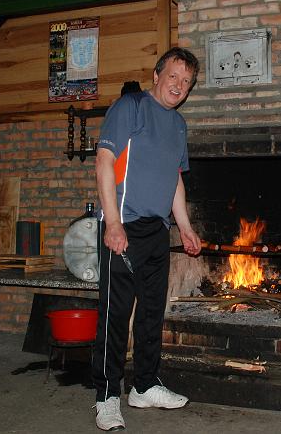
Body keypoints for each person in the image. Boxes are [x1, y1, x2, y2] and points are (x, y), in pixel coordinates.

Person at [92, 47, 202, 431]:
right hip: (124, 227)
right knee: (115, 315)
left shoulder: (179, 125)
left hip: (157, 230)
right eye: (173, 76)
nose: (179, 86)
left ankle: (144, 386)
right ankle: (107, 397)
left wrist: (184, 227)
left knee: (152, 313)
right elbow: (104, 162)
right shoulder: (131, 107)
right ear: (157, 75)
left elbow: (175, 180)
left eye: (186, 81)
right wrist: (112, 223)